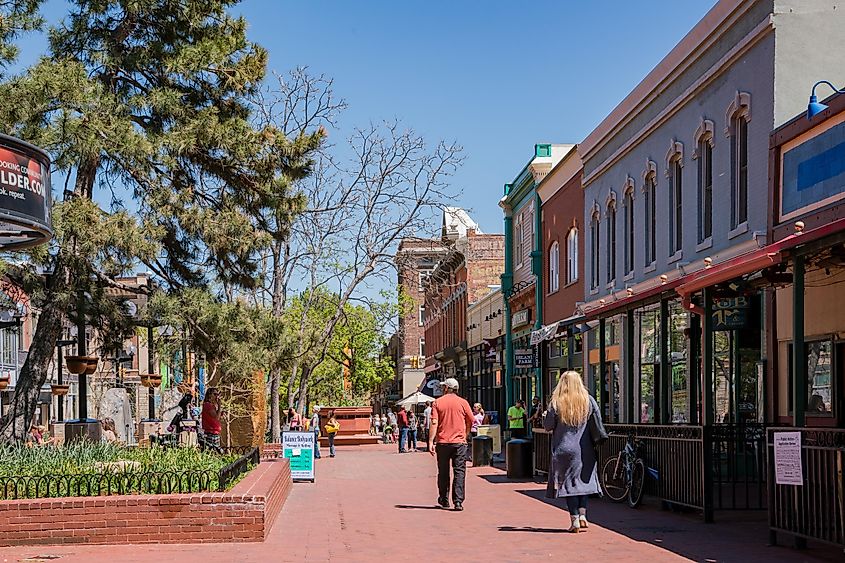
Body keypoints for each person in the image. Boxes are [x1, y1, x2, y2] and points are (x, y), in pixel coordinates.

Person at [543, 371, 605, 533]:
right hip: (585, 449)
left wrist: (545, 416)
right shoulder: (588, 401)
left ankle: (574, 519)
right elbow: (598, 422)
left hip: (563, 449)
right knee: (582, 482)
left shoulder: (556, 403)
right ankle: (583, 515)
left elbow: (548, 426)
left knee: (569, 485)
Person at [428, 377, 474, 511]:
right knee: (459, 471)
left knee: (443, 472)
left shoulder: (437, 403)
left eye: (444, 387)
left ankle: (444, 498)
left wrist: (431, 441)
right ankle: (458, 501)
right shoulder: (463, 402)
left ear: (447, 388)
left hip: (443, 442)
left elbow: (434, 423)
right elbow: (471, 420)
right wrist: (465, 435)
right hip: (459, 443)